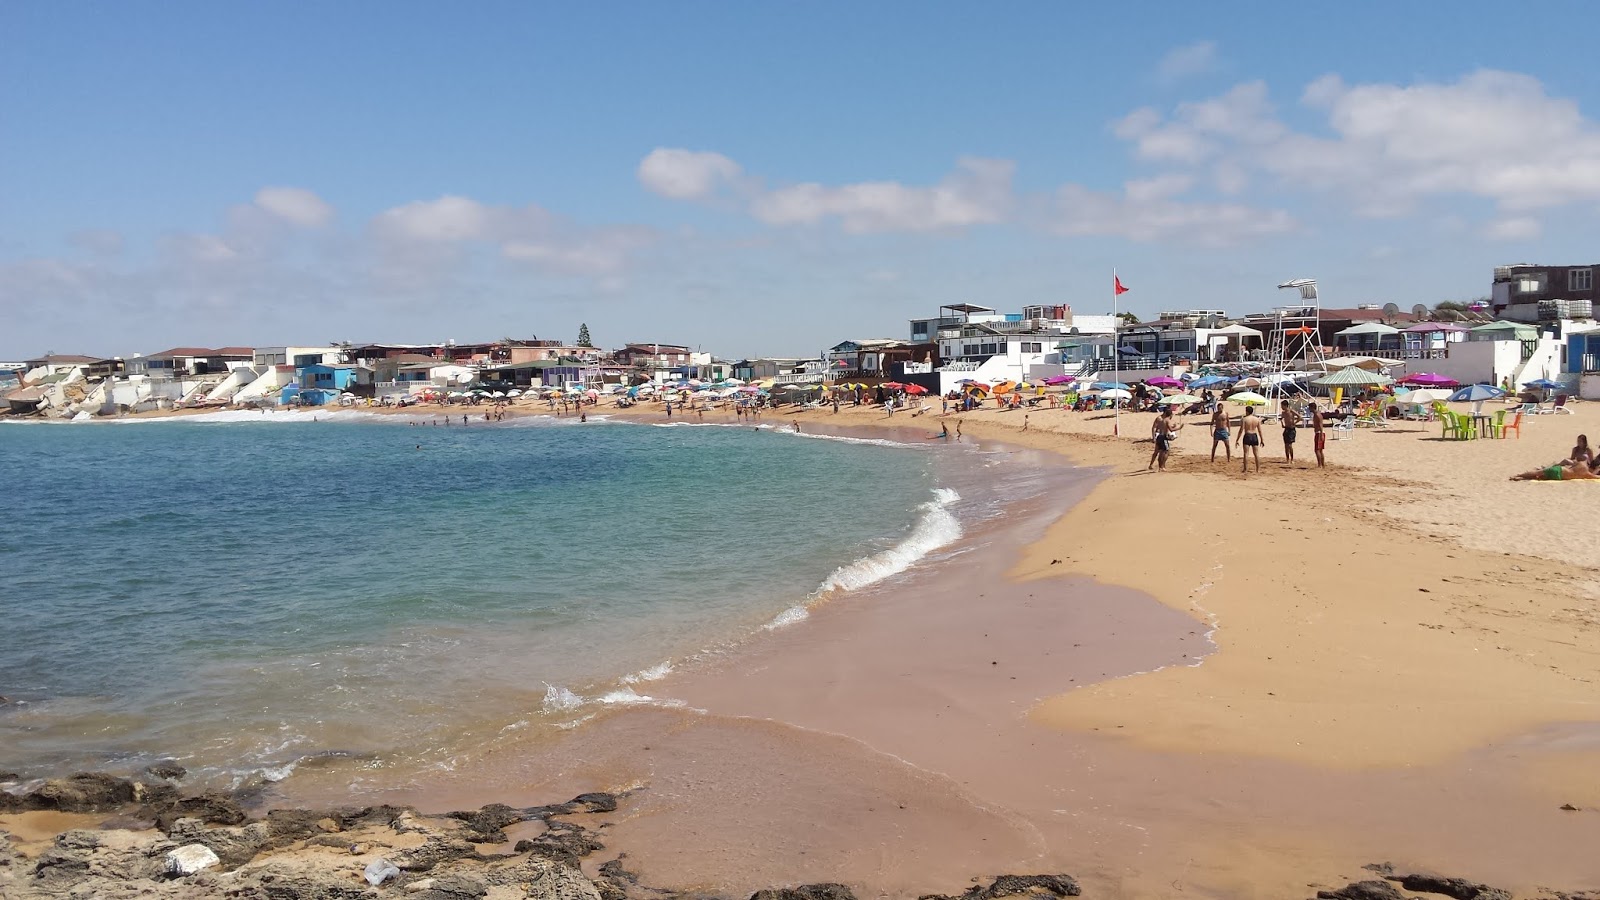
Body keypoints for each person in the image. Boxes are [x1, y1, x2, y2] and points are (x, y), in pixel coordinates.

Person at [1148, 407, 1182, 471]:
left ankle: (1160, 466)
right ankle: (1159, 466)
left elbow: (1167, 427)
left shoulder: (1164, 419)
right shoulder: (1160, 418)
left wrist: (1173, 426)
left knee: (1160, 451)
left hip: (1160, 436)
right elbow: (1154, 428)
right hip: (1160, 435)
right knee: (1162, 451)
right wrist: (1153, 437)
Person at [1512, 460, 1600, 481]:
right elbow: (1597, 477)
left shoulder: (1581, 463)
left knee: (1538, 472)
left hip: (1561, 470)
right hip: (1559, 477)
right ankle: (1522, 478)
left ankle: (1520, 475)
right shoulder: (1587, 474)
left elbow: (1568, 461)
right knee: (1539, 477)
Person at [1236, 405, 1263, 473]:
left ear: (1247, 411)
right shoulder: (1257, 419)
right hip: (1254, 435)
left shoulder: (1244, 419)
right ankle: (1258, 469)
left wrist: (1237, 439)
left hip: (1247, 435)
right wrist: (1262, 439)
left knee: (1246, 453)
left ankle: (1245, 469)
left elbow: (1241, 430)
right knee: (1256, 453)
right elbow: (1260, 430)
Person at [1279, 400, 1300, 464]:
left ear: (1285, 405)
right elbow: (1281, 419)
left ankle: (1292, 459)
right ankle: (1287, 459)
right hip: (1286, 428)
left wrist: (1295, 423)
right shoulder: (1283, 413)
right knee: (1286, 445)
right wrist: (1282, 423)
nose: (1281, 407)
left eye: (1282, 406)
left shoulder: (1291, 411)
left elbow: (1299, 417)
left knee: (1290, 445)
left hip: (1291, 429)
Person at [1309, 402, 1327, 468]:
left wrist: (1321, 434)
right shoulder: (1317, 414)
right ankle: (1322, 465)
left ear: (1312, 408)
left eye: (1310, 408)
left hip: (1319, 433)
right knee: (1320, 450)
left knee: (1317, 450)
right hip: (1319, 432)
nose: (1309, 409)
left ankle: (1320, 465)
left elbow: (1320, 425)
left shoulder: (1317, 415)